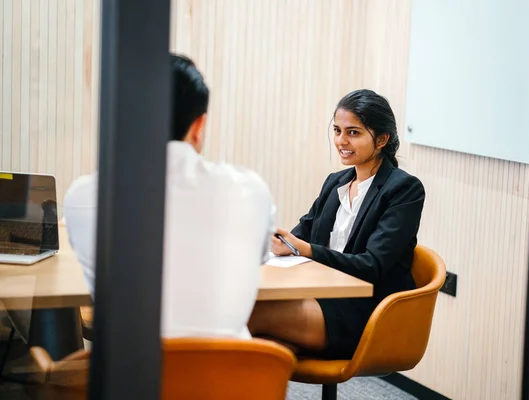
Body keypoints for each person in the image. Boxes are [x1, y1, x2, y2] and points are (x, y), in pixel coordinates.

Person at [63, 54, 274, 339]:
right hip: (231, 376)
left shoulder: (85, 195)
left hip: (128, 377)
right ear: (199, 126)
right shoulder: (252, 190)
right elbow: (260, 257)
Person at [248, 89, 425, 359]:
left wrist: (305, 249)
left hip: (364, 312)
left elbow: (372, 266)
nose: (341, 141)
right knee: (260, 347)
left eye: (353, 132)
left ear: (382, 139)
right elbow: (301, 235)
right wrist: (279, 242)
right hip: (321, 298)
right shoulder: (336, 182)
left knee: (249, 312)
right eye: (337, 130)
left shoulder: (404, 189)